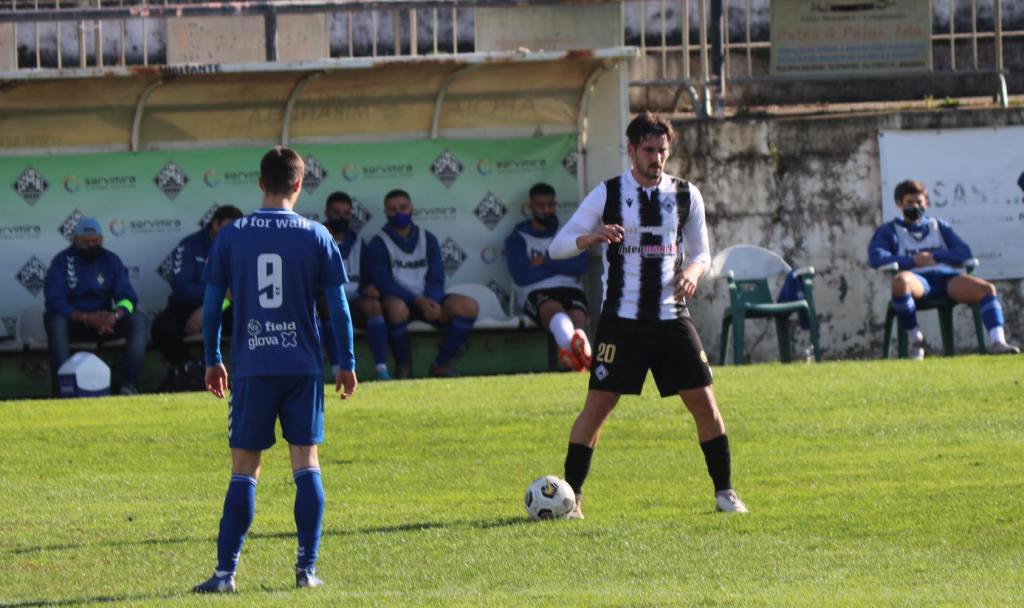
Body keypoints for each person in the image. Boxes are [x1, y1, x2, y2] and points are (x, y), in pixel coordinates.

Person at [548, 112, 748, 518]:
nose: (657, 158)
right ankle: (573, 500)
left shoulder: (686, 195)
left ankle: (725, 492)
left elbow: (701, 253)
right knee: (598, 408)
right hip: (622, 322)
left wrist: (692, 272)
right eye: (649, 150)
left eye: (663, 151)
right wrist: (593, 237)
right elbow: (558, 246)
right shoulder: (608, 194)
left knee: (705, 403)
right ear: (632, 150)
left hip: (672, 317)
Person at [193, 146, 357, 593]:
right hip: (302, 366)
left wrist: (212, 358)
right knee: (306, 462)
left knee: (245, 468)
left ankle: (225, 575)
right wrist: (346, 363)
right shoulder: (317, 235)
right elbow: (339, 309)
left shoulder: (231, 236)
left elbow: (211, 308)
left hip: (252, 367)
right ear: (299, 185)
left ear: (261, 183)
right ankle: (306, 571)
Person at [868, 179, 1020, 359]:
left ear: (927, 203)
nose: (915, 206)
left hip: (946, 279)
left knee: (986, 289)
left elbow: (964, 252)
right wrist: (911, 260)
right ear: (899, 204)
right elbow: (876, 257)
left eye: (919, 202)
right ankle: (916, 339)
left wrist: (936, 256)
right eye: (910, 202)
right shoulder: (889, 230)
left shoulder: (938, 226)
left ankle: (997, 342)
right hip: (918, 281)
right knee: (900, 282)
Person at [367, 189, 479, 378]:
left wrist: (432, 301)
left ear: (412, 208)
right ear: (386, 213)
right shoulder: (378, 242)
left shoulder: (428, 238)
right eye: (393, 209)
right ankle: (403, 367)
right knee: (396, 308)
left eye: (403, 207)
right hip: (400, 301)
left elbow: (436, 277)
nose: (399, 213)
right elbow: (383, 283)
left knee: (468, 306)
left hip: (428, 299)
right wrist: (418, 301)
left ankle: (441, 364)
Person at [43, 218, 150, 395]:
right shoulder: (61, 262)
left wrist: (114, 316)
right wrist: (86, 317)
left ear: (101, 240)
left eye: (96, 241)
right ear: (75, 240)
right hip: (74, 323)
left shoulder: (111, 261)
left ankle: (128, 385)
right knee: (55, 320)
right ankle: (63, 390)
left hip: (105, 324)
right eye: (86, 242)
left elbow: (128, 298)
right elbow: (54, 301)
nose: (91, 246)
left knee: (138, 319)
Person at [150, 205, 243, 389]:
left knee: (250, 321)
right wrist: (214, 296)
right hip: (187, 306)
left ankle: (244, 376)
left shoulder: (241, 247)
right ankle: (190, 368)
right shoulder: (190, 245)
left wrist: (208, 309)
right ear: (215, 225)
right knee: (162, 328)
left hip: (223, 307)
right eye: (228, 228)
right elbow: (182, 288)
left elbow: (238, 292)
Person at [505, 182, 592, 371]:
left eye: (550, 205)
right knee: (554, 311)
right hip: (535, 290)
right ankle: (582, 359)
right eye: (540, 205)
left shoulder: (568, 232)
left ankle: (578, 357)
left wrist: (545, 261)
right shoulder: (517, 237)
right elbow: (522, 275)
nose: (546, 210)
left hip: (569, 287)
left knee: (578, 317)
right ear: (530, 207)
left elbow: (580, 265)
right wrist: (562, 265)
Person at [321, 193, 392, 380]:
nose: (341, 217)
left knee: (374, 306)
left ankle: (381, 369)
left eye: (346, 213)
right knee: (330, 306)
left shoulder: (359, 242)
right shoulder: (316, 239)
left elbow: (368, 277)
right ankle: (336, 369)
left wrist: (370, 287)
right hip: (325, 299)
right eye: (336, 212)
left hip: (354, 299)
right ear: (326, 212)